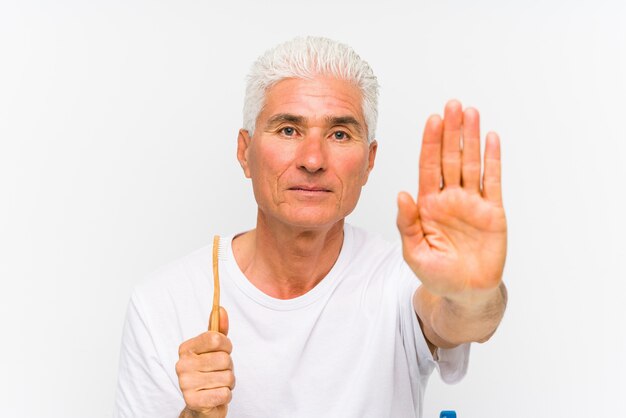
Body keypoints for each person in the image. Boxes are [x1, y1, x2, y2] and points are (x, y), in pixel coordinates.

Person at [114, 36, 508, 418]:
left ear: (369, 162)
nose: (313, 159)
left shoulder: (398, 280)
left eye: (339, 134)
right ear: (244, 152)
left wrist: (471, 293)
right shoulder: (163, 304)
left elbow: (458, 319)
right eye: (288, 130)